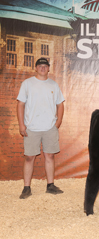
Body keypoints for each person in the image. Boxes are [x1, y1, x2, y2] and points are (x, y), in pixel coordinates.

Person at [17, 58, 65, 199]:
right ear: (36, 68)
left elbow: (60, 104)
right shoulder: (27, 84)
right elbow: (20, 104)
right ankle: (26, 188)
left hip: (50, 127)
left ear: (48, 68)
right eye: (40, 66)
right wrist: (21, 125)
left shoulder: (54, 85)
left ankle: (50, 185)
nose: (43, 68)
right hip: (31, 127)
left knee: (49, 156)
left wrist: (58, 122)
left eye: (45, 66)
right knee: (29, 157)